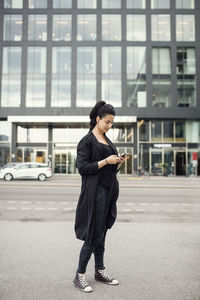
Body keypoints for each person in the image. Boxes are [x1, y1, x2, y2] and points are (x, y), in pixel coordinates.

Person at [73, 101, 125, 293]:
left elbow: (110, 170)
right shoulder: (87, 141)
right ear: (98, 119)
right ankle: (79, 276)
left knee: (102, 234)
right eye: (107, 122)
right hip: (95, 194)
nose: (110, 126)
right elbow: (83, 168)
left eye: (112, 123)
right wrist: (106, 161)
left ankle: (99, 271)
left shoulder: (107, 141)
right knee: (93, 235)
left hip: (108, 192)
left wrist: (117, 163)